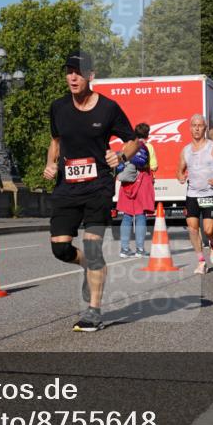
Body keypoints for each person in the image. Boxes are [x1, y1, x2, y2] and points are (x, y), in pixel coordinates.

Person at [44, 50, 139, 332]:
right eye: (68, 71)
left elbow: (133, 140)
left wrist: (121, 156)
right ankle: (89, 265)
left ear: (91, 76)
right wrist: (50, 163)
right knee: (60, 248)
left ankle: (94, 312)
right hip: (66, 188)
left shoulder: (108, 108)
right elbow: (55, 141)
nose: (73, 77)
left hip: (98, 186)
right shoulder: (58, 107)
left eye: (78, 72)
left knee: (93, 246)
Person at [177, 113, 213, 274]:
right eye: (194, 126)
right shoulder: (186, 150)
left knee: (209, 230)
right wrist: (181, 177)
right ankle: (201, 261)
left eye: (200, 125)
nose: (197, 128)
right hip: (192, 194)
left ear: (205, 128)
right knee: (192, 228)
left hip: (209, 193)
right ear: (190, 129)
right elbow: (179, 171)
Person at [117, 141, 153, 257]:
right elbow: (154, 165)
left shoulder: (126, 147)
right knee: (140, 216)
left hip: (127, 185)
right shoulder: (148, 147)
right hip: (141, 182)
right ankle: (140, 249)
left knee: (126, 217)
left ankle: (124, 249)